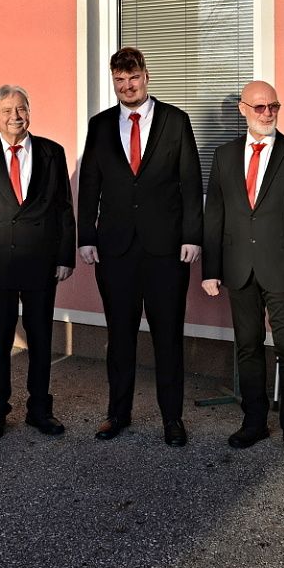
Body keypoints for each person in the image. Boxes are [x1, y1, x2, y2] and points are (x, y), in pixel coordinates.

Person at [78, 46, 203, 447]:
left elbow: (190, 182)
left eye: (133, 78)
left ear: (146, 77)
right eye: (120, 80)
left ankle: (172, 419)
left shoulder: (175, 120)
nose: (127, 86)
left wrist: (192, 235)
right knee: (120, 335)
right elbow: (90, 184)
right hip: (115, 249)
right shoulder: (100, 125)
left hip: (167, 249)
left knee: (168, 336)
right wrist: (86, 237)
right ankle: (118, 413)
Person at [201, 81, 284, 457]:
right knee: (248, 347)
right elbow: (214, 214)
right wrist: (210, 269)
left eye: (273, 106)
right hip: (239, 269)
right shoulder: (224, 156)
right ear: (243, 110)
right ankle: (253, 422)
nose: (267, 113)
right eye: (259, 107)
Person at [0, 85, 76, 439]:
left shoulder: (52, 152)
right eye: (7, 110)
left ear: (29, 112)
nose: (15, 116)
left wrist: (65, 256)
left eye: (21, 108)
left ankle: (40, 409)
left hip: (41, 262)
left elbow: (63, 208)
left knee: (40, 339)